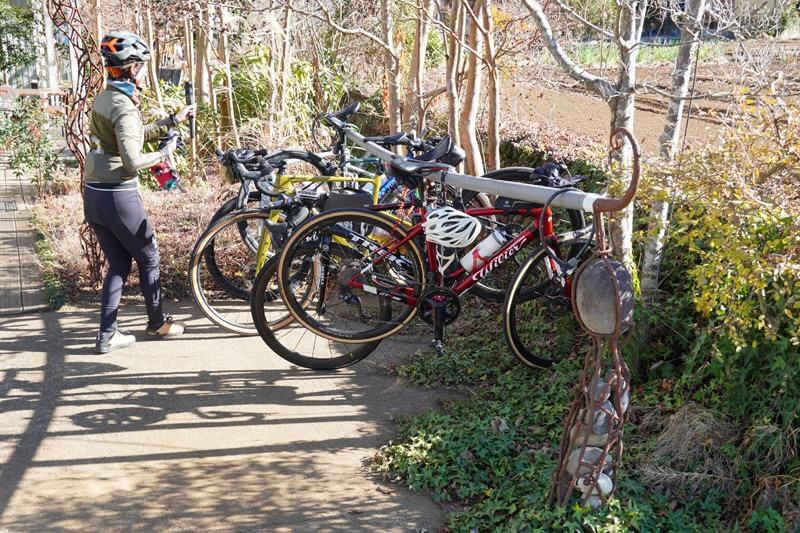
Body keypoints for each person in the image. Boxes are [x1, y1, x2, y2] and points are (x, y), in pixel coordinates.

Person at [84, 30, 196, 354]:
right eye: (144, 66)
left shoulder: (105, 97)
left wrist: (172, 120)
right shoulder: (125, 106)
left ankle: (107, 336)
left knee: (119, 263)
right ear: (132, 68)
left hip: (94, 196)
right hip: (118, 196)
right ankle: (158, 324)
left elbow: (127, 137)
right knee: (149, 256)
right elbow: (132, 159)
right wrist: (165, 153)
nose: (145, 71)